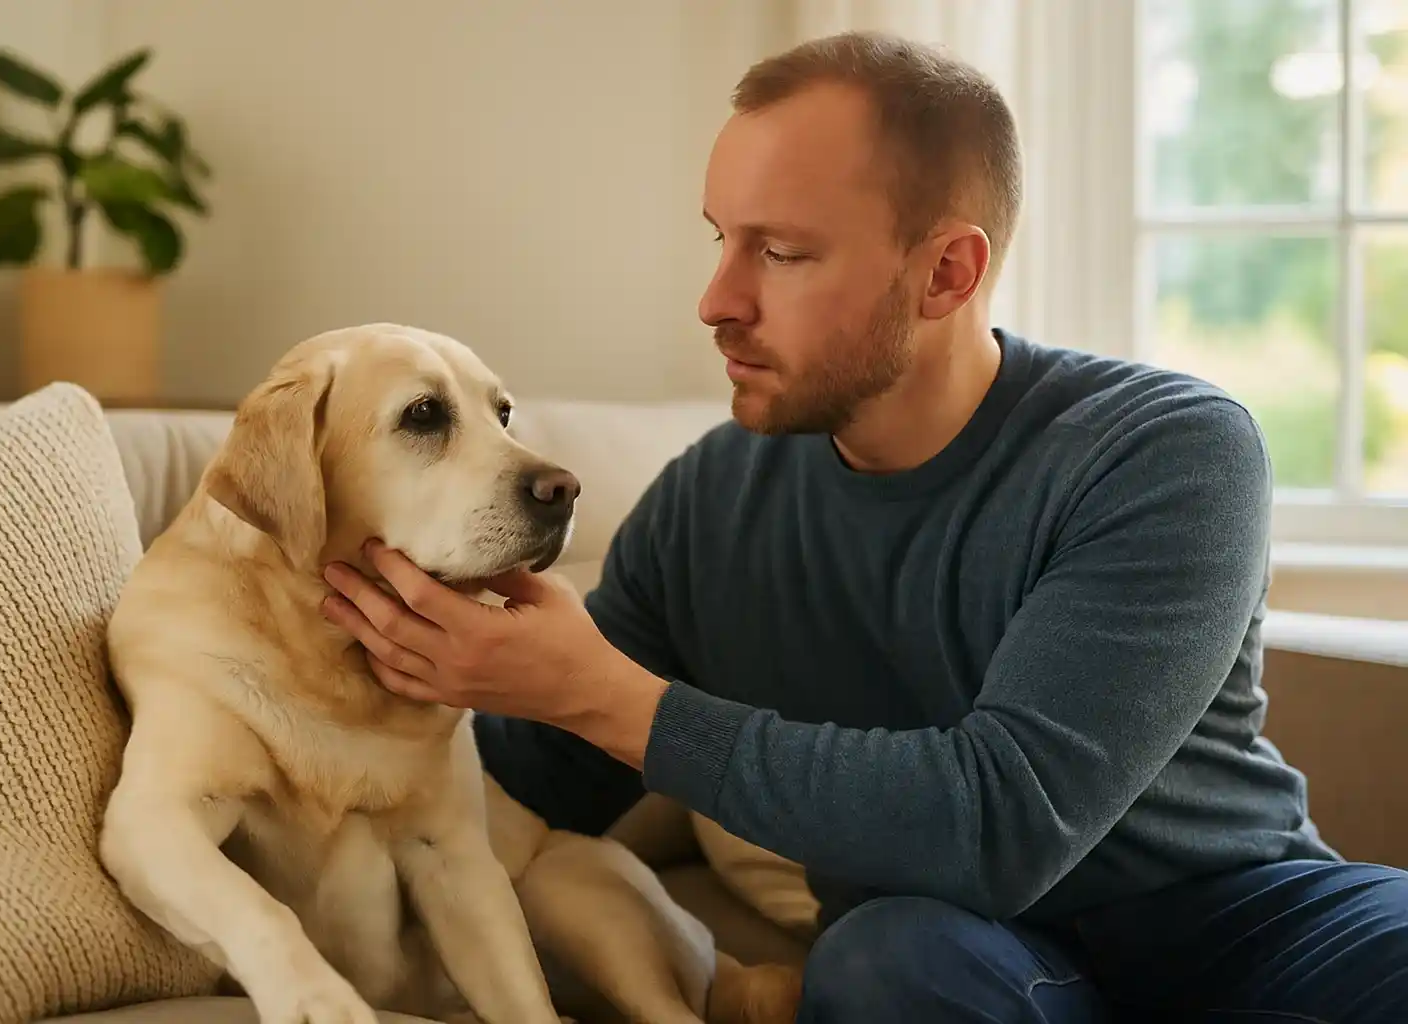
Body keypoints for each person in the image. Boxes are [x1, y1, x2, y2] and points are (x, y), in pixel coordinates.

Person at [318, 29, 1408, 1023]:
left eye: (781, 253)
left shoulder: (1166, 449)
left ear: (946, 272)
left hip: (1248, 929)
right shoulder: (712, 501)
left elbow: (1001, 822)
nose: (716, 298)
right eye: (720, 239)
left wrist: (600, 690)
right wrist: (339, 656)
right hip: (960, 966)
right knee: (884, 964)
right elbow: (529, 786)